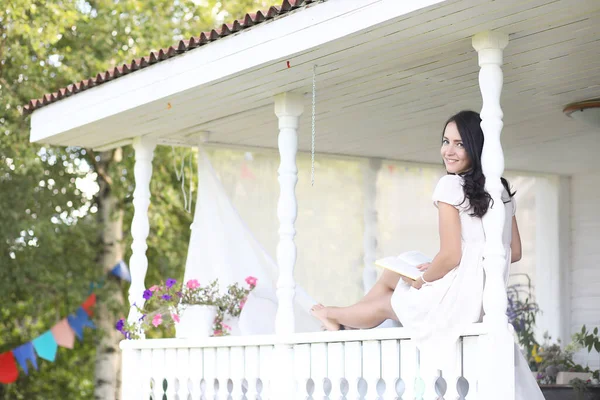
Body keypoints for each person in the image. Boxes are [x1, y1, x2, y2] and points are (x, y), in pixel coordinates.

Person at [311, 110, 545, 399]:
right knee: (396, 270)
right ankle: (344, 319)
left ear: (476, 146)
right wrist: (437, 266)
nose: (449, 151)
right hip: (481, 296)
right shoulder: (501, 190)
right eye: (446, 141)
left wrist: (425, 277)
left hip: (460, 300)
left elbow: (451, 256)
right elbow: (516, 252)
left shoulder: (450, 185)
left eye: (459, 144)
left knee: (391, 298)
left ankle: (335, 316)